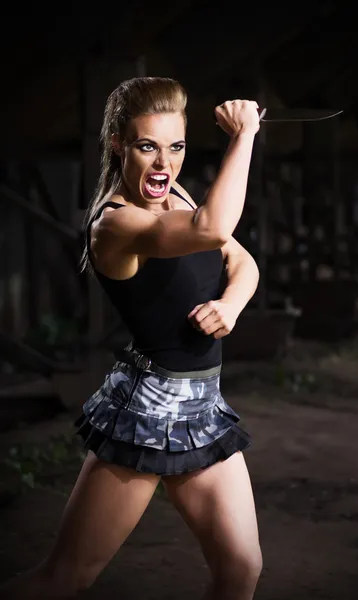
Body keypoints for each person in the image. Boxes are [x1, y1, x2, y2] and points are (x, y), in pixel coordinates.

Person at [0, 76, 262, 599]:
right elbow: (212, 230)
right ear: (118, 144)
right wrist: (245, 135)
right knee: (65, 578)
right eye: (147, 146)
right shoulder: (114, 225)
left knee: (240, 569)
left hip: (203, 407)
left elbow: (241, 259)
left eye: (176, 147)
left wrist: (230, 304)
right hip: (146, 412)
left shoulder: (178, 193)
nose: (164, 164)